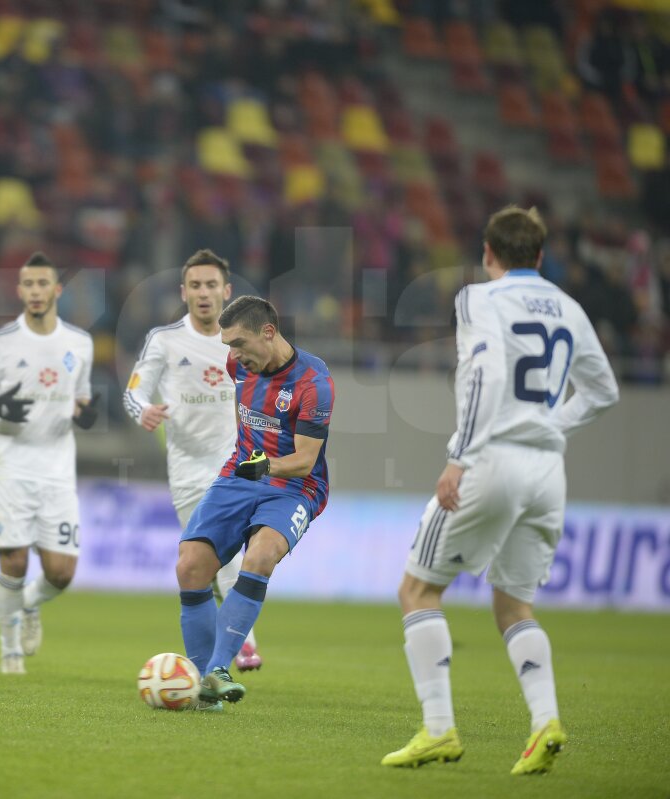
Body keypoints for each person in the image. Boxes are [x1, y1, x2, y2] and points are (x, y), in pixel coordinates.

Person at [381, 206, 619, 774]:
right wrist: (547, 425)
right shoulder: (570, 307)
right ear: (540, 256)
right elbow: (602, 390)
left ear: (488, 254)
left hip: (492, 460)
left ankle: (438, 730)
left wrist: (459, 458)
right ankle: (545, 723)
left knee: (417, 591)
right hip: (547, 472)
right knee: (514, 604)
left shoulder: (478, 299)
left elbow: (484, 375)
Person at [176, 295, 334, 710]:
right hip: (242, 472)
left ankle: (219, 668)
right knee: (190, 564)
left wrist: (261, 467)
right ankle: (201, 689)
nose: (234, 354)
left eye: (240, 343)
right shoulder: (237, 366)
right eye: (229, 345)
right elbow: (243, 414)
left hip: (294, 486)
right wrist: (244, 459)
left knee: (260, 555)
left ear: (268, 332)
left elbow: (304, 461)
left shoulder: (313, 384)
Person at [0, 252, 97, 675]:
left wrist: (85, 412)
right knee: (14, 560)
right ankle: (9, 649)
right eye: (28, 285)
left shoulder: (80, 343)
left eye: (43, 284)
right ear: (20, 291)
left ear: (56, 290)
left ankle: (29, 606)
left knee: (61, 572)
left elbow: (83, 398)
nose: (35, 291)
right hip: (9, 461)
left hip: (57, 466)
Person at [124, 249, 262, 672]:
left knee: (235, 554)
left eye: (211, 285)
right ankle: (241, 644)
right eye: (196, 286)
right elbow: (134, 390)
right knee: (211, 557)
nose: (204, 293)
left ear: (227, 290)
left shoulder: (245, 339)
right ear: (184, 292)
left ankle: (243, 644)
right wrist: (143, 411)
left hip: (241, 462)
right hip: (186, 468)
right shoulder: (164, 340)